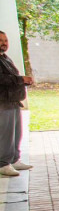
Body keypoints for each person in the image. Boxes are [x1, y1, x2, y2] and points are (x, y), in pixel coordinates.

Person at [0, 30, 34, 177]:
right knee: (5, 134)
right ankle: (3, 163)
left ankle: (13, 159)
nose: (4, 43)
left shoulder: (5, 58)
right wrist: (21, 80)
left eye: (5, 40)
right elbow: (2, 79)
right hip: (3, 102)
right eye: (1, 40)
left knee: (15, 133)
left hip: (12, 100)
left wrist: (23, 81)